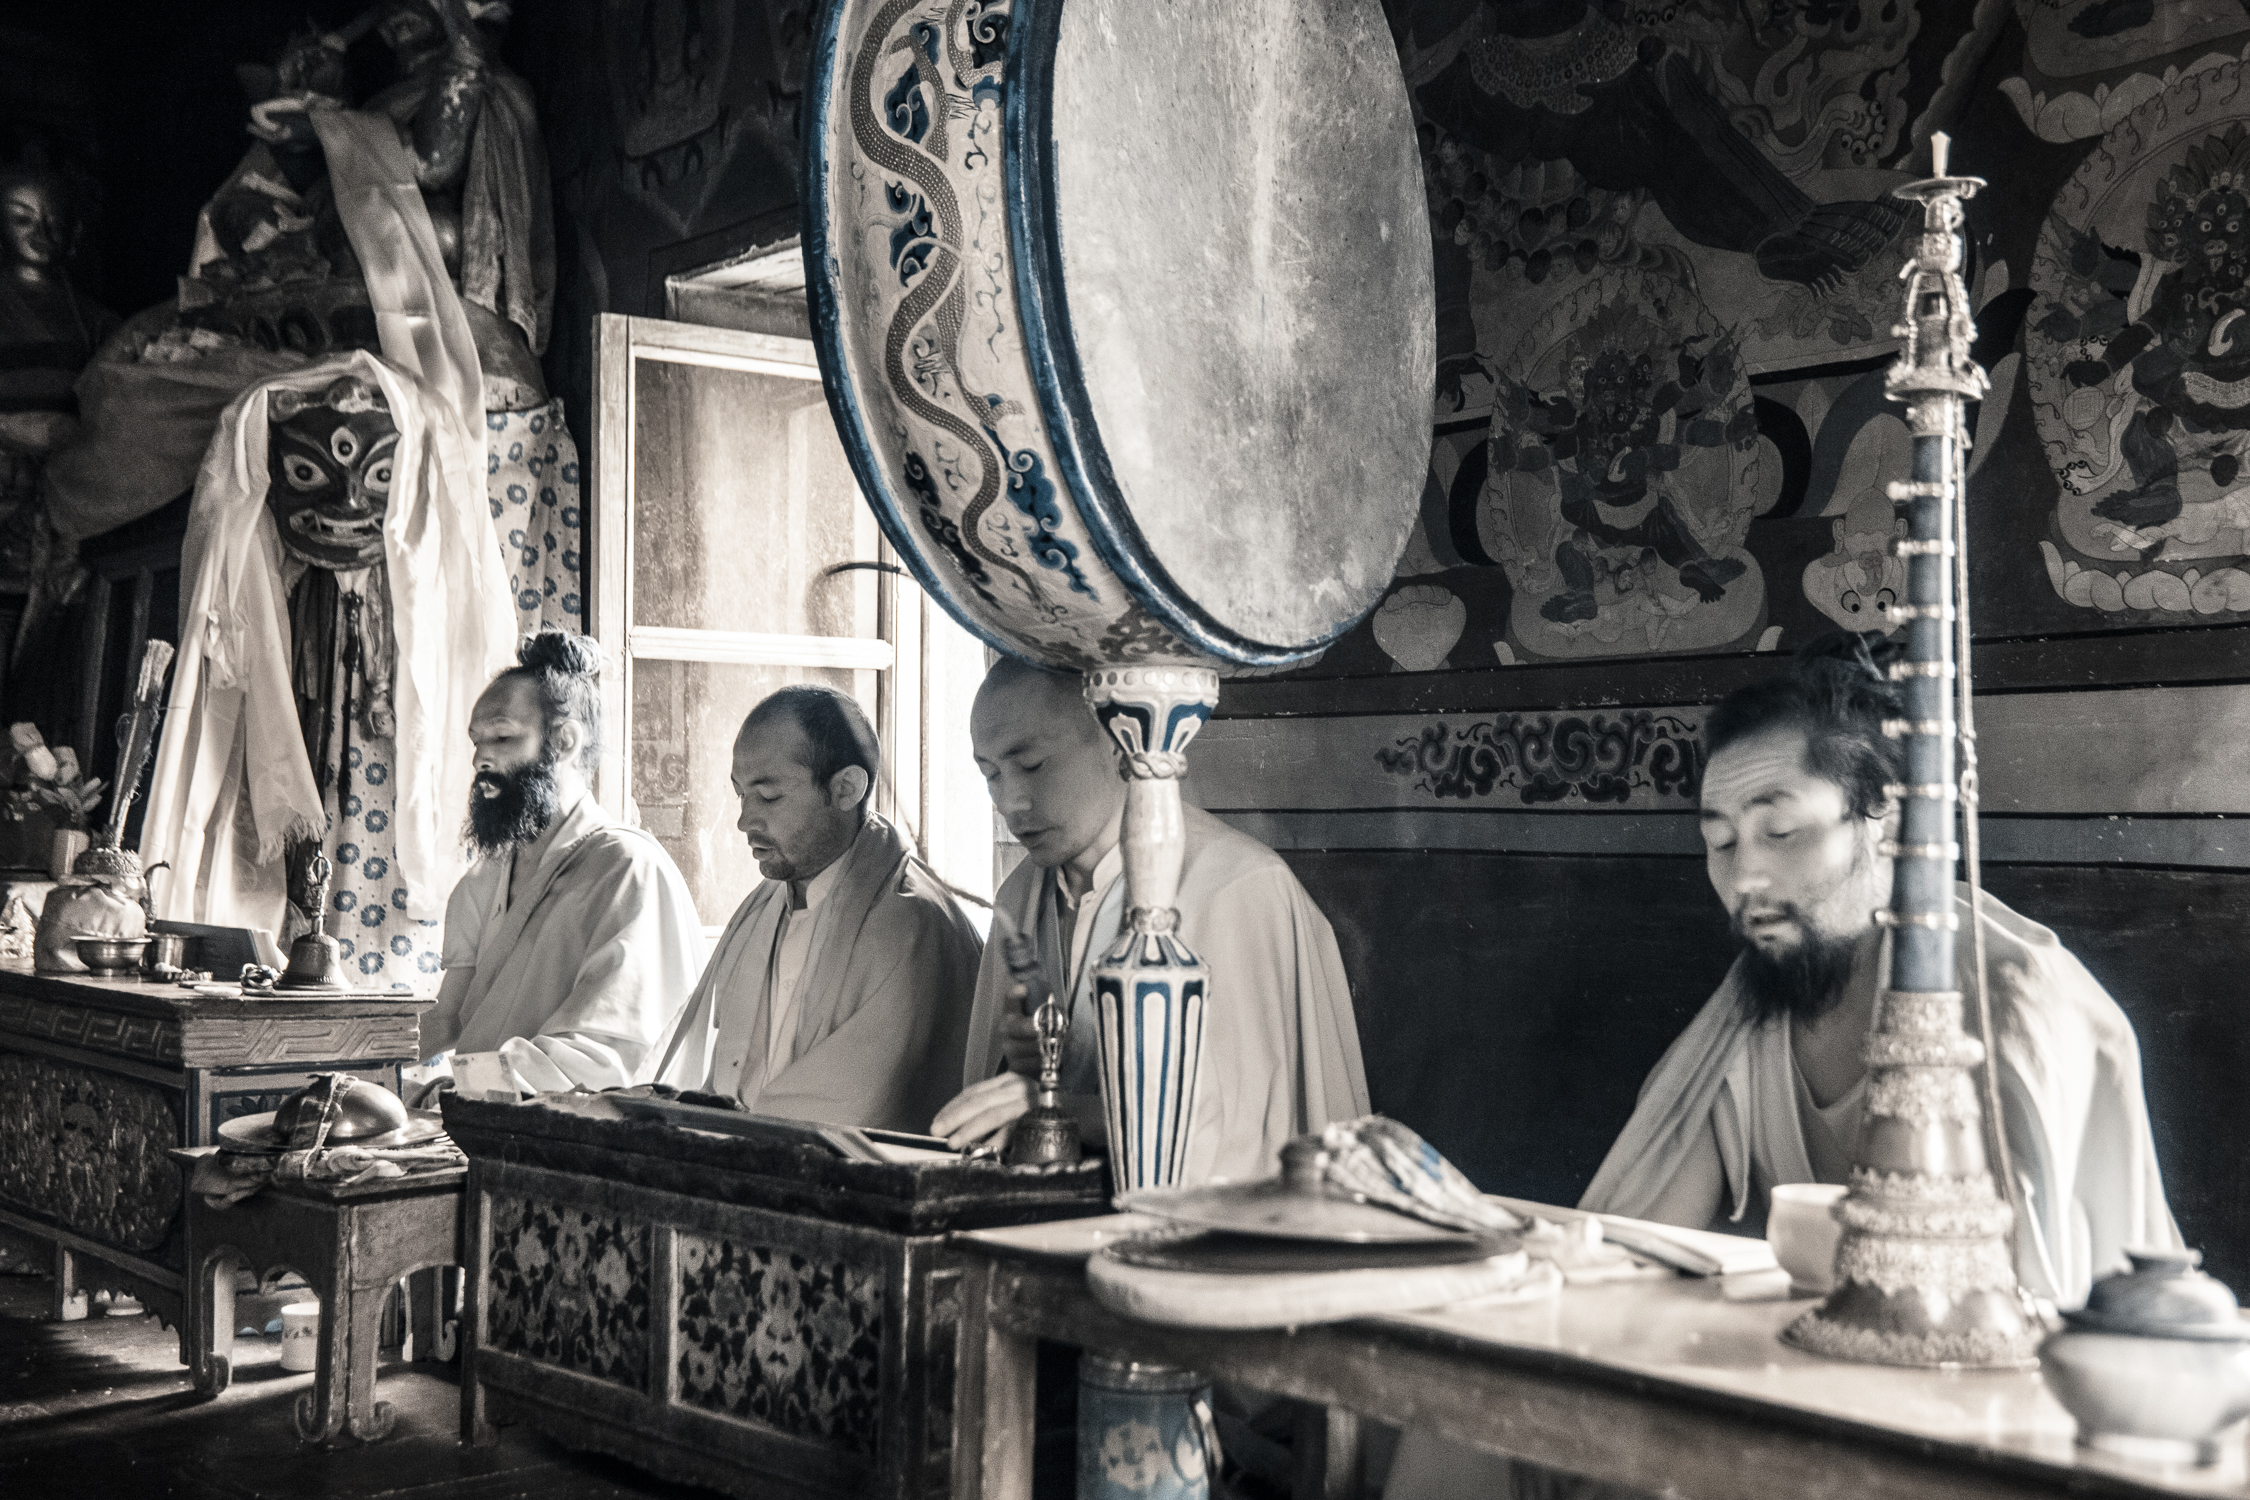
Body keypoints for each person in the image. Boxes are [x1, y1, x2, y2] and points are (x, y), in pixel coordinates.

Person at [1384, 632, 2180, 1500]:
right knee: (1478, 1407)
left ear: (1886, 819)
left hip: (2006, 1412)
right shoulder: (1757, 1000)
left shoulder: (2010, 1000)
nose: (1744, 877)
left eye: (1782, 830)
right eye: (1720, 842)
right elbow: (1633, 1238)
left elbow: (2021, 1327)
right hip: (1809, 1368)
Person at [931, 657, 1369, 1181]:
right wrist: (1027, 1060)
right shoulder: (1022, 891)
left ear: (1118, 746)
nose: (1010, 801)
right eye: (990, 774)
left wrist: (1055, 1106)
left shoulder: (1238, 886)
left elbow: (1240, 1140)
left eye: (1032, 766)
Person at [652, 686, 983, 1129]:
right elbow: (730, 1084)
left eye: (768, 797)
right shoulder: (762, 910)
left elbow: (854, 1113)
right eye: (740, 795)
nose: (744, 821)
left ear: (845, 788)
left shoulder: (910, 924)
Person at [420, 630, 702, 1093]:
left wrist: (464, 1090)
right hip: (483, 1122)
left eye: (503, 737)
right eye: (477, 741)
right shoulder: (485, 880)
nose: (481, 758)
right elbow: (449, 1017)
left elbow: (604, 1060)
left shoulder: (628, 871)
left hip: (566, 1142)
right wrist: (353, 1065)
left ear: (565, 741)